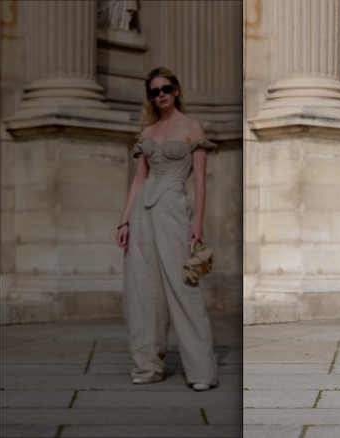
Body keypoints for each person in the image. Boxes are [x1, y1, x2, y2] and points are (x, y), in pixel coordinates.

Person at [116, 67, 218, 391]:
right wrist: (124, 220)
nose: (160, 95)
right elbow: (138, 181)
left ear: (176, 90)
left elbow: (200, 178)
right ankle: (146, 367)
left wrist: (198, 222)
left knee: (183, 287)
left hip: (174, 209)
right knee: (142, 290)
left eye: (165, 89)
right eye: (154, 91)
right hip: (142, 213)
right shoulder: (146, 133)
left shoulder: (192, 127)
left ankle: (201, 372)